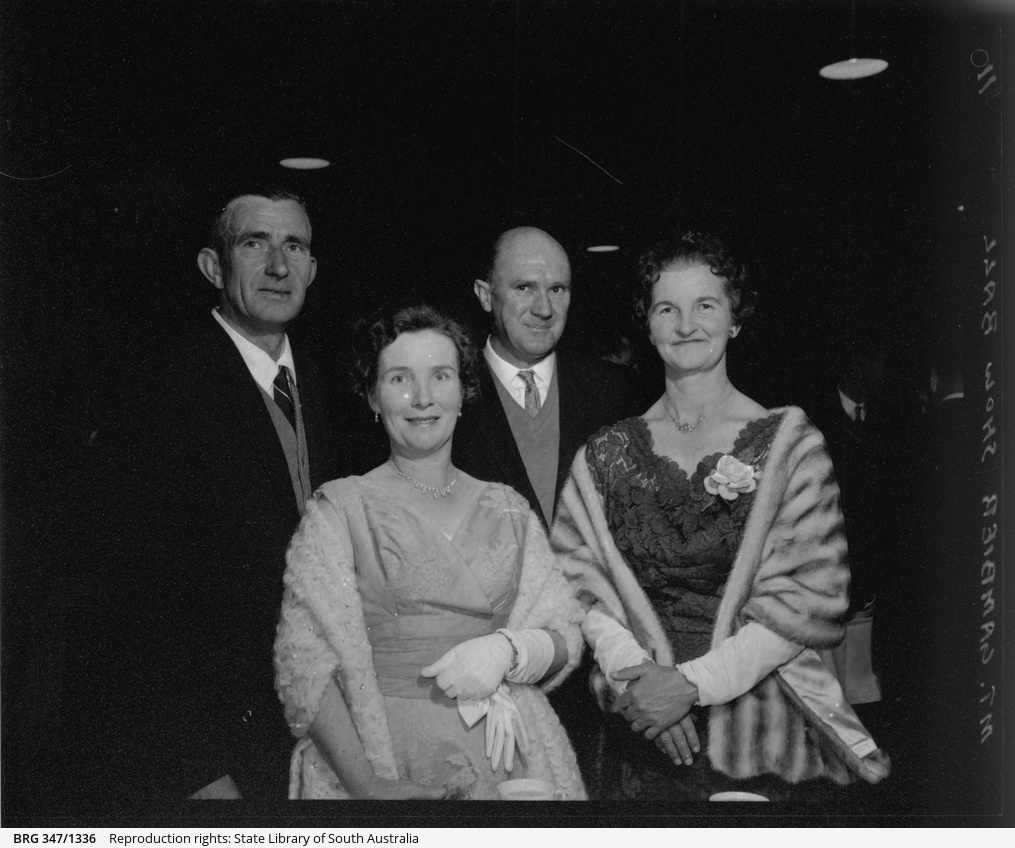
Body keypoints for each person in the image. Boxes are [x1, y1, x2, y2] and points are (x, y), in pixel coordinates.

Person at [550, 231, 890, 802]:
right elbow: (578, 588)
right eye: (667, 308)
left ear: (734, 319)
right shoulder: (604, 454)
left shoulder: (792, 445)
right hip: (642, 735)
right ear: (649, 325)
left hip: (759, 740)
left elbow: (807, 596)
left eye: (705, 304)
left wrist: (689, 685)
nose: (686, 324)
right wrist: (644, 683)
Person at [274, 305, 587, 800]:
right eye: (400, 378)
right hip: (390, 765)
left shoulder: (508, 507)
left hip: (515, 758)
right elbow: (304, 667)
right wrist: (370, 787)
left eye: (440, 377)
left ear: (463, 392)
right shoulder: (339, 510)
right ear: (373, 396)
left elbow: (565, 631)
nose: (422, 398)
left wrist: (512, 650)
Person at [96, 192, 345, 801]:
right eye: (254, 243)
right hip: (221, 753)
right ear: (213, 267)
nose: (279, 266)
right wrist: (197, 769)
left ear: (312, 269)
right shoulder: (157, 392)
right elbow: (134, 605)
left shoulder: (327, 379)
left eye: (295, 246)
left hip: (326, 737)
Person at [453, 226, 641, 532]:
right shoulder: (446, 398)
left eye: (557, 289)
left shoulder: (615, 392)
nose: (544, 309)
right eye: (525, 288)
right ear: (486, 296)